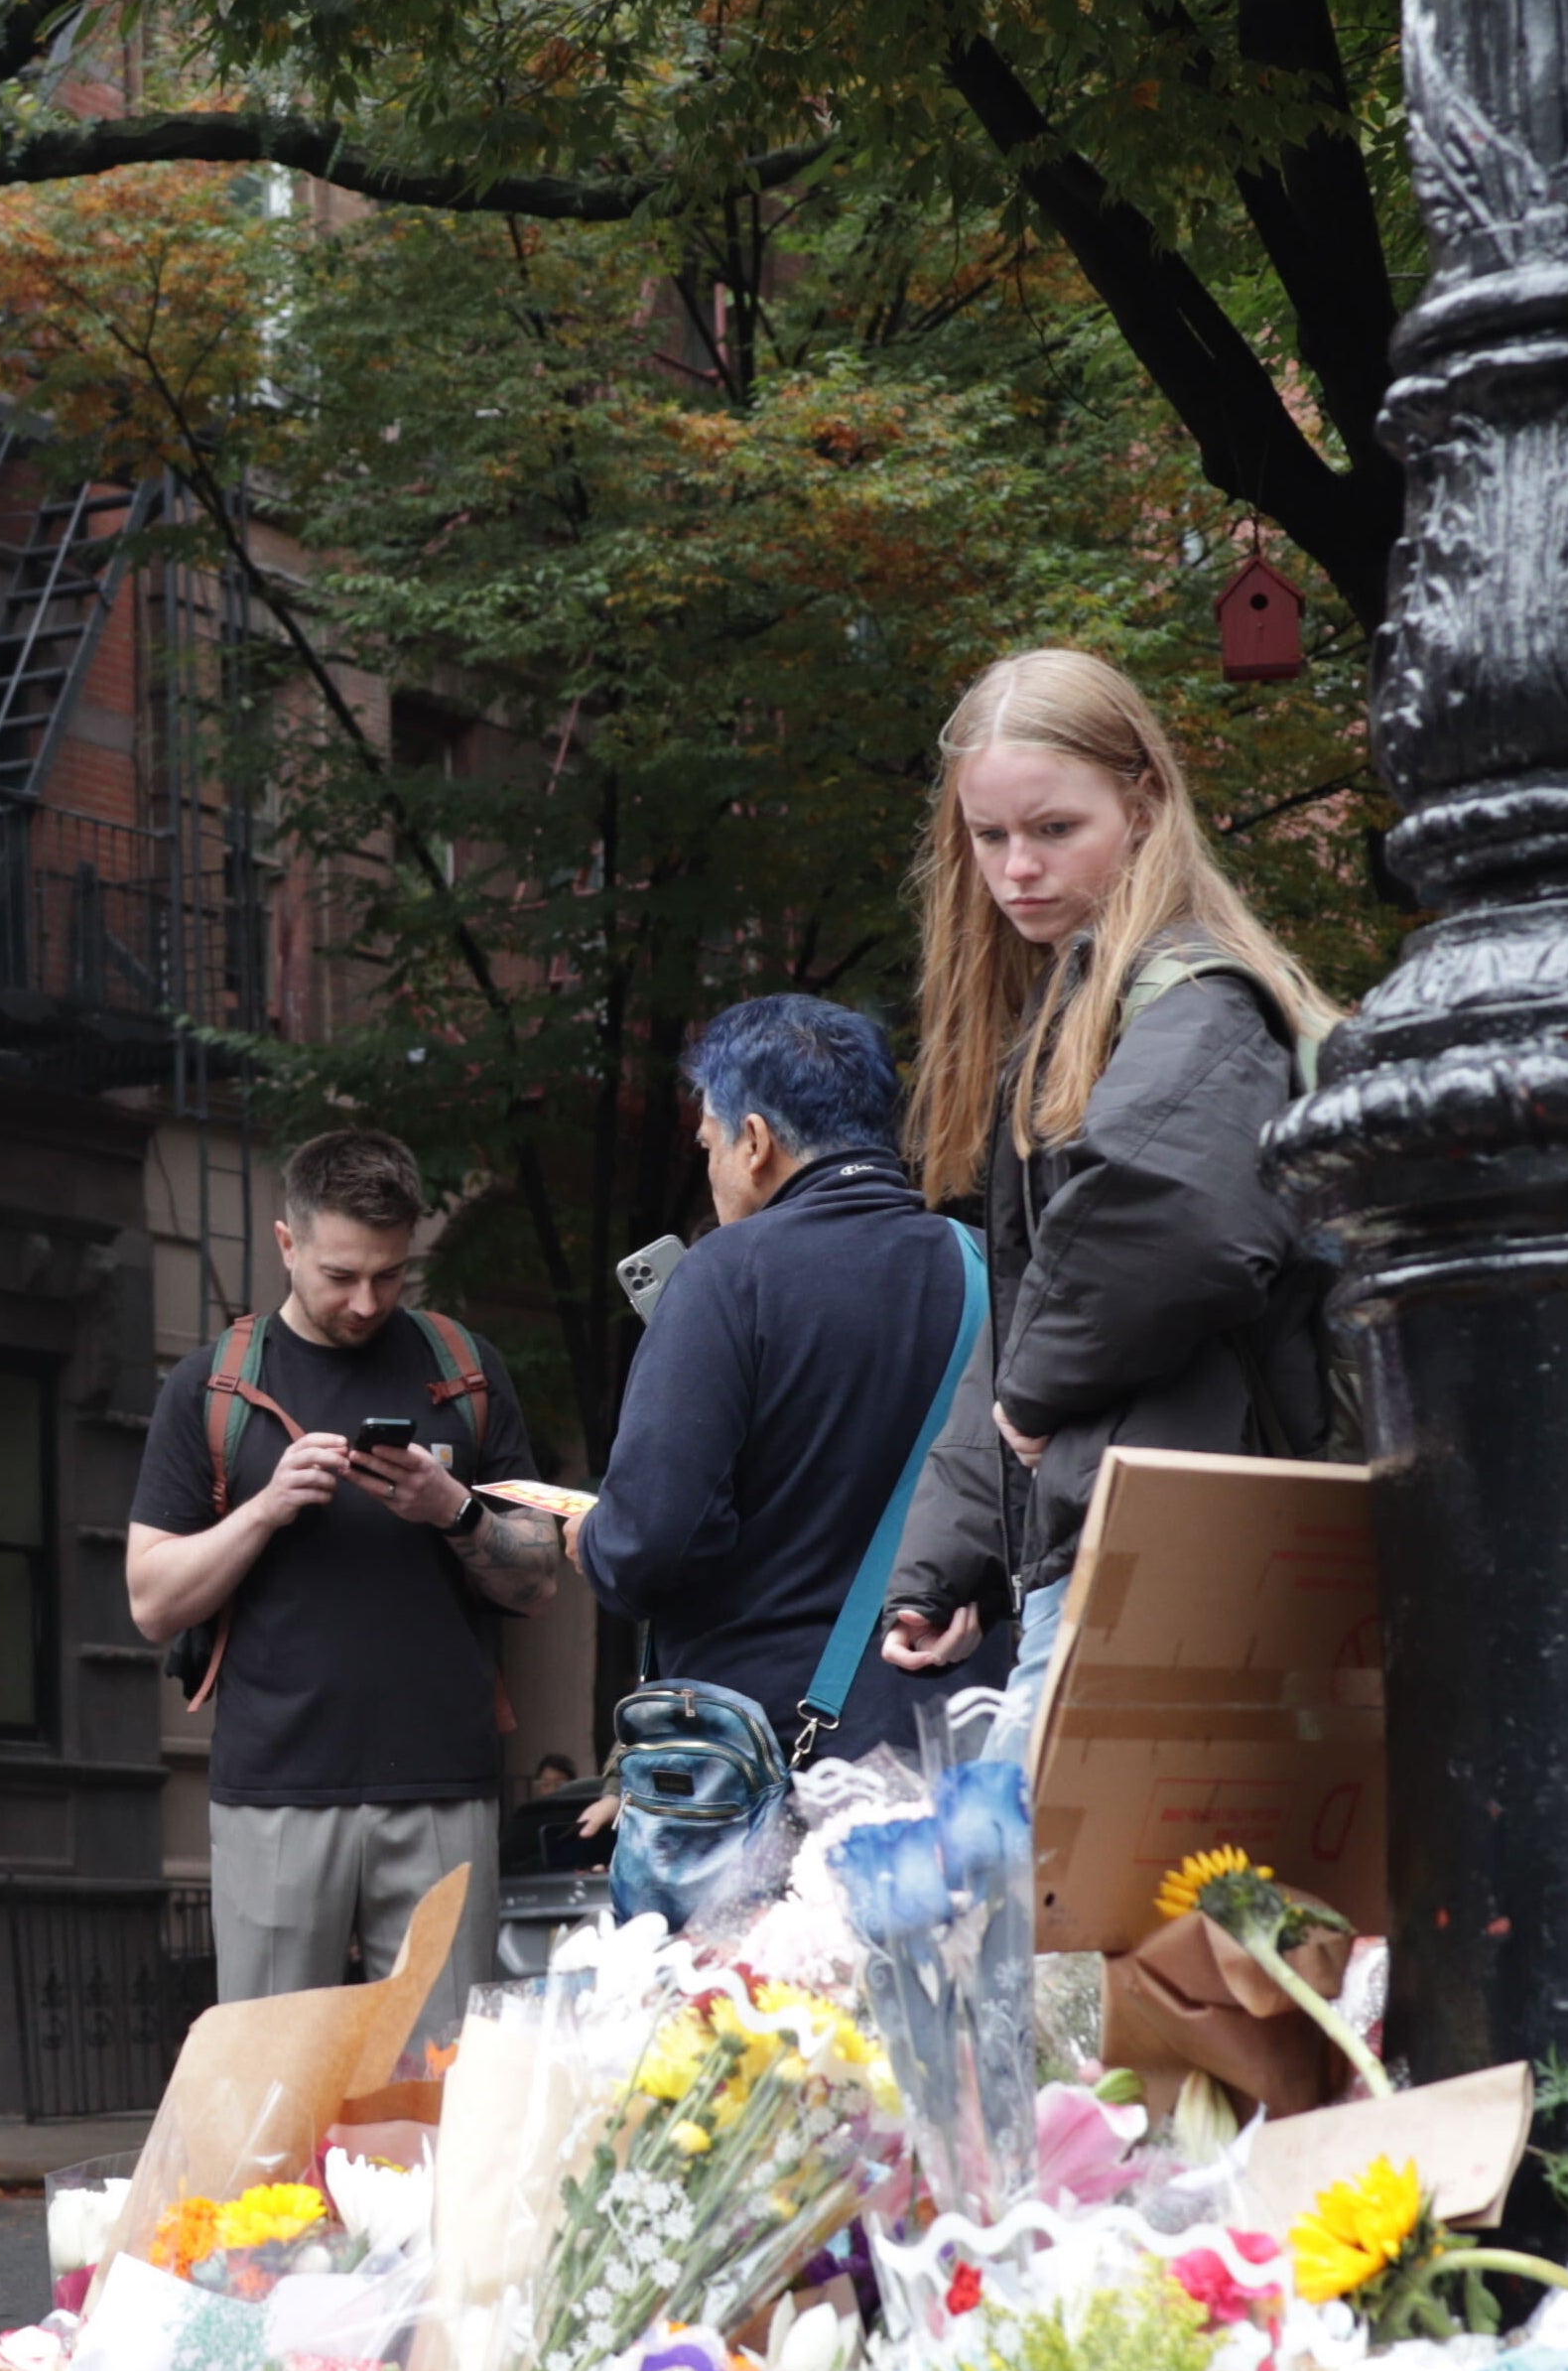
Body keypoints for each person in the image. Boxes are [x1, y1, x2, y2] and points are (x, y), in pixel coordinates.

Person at [877, 647, 1341, 1757]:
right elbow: (1038, 1303)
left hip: (1173, 1564)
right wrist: (947, 1562)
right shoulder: (1103, 1003)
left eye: (1052, 829)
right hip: (1133, 1550)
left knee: (1053, 1915)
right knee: (1080, 1916)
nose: (1015, 868)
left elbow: (1169, 1224)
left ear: (1142, 805)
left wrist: (1032, 1401)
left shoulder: (1191, 1002)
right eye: (988, 838)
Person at [126, 1129, 567, 2001]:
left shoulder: (468, 1372)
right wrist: (265, 1508)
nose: (367, 1302)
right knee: (270, 2090)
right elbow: (150, 1601)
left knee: (435, 2090)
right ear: (286, 1245)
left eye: (390, 1273)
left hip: (445, 1783)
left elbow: (540, 1577)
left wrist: (453, 1508)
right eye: (339, 1275)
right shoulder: (213, 1387)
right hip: (274, 1792)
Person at [576, 996, 980, 1766]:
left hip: (779, 1762)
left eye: (708, 1144)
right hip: (966, 1746)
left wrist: (593, 1541)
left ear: (753, 1141)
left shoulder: (726, 1276)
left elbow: (651, 1543)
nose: (709, 1170)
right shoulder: (991, 1268)